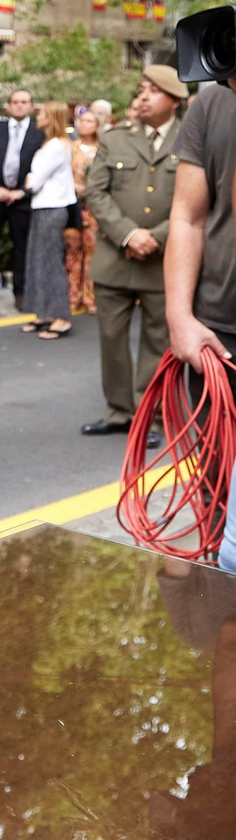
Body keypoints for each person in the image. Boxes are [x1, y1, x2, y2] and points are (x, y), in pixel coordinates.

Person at [81, 65, 185, 446]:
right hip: (116, 258)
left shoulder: (190, 138)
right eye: (140, 89)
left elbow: (196, 201)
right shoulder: (116, 138)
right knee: (112, 338)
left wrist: (155, 237)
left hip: (165, 260)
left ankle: (150, 416)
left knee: (158, 341)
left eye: (152, 91)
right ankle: (118, 412)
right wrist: (129, 234)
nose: (142, 97)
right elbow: (97, 192)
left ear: (175, 100)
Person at [163, 74, 236, 570]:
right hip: (218, 334)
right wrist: (180, 316)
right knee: (213, 489)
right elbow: (187, 215)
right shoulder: (211, 102)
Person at [0, 90, 42, 310]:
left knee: (20, 246)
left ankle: (20, 291)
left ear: (31, 106)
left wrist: (21, 191)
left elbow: (40, 167)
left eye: (24, 102)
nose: (20, 106)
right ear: (9, 106)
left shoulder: (39, 132)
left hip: (22, 199)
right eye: (15, 102)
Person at [19, 101, 78, 339]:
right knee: (39, 260)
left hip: (51, 208)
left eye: (42, 114)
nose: (38, 117)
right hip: (45, 207)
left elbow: (34, 181)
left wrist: (29, 180)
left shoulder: (56, 145)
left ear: (51, 117)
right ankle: (45, 313)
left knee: (50, 262)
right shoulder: (54, 144)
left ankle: (61, 318)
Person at [65, 109, 101, 314]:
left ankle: (90, 296)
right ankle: (73, 295)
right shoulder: (71, 148)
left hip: (94, 207)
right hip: (73, 205)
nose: (85, 124)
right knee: (73, 250)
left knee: (92, 252)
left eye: (90, 121)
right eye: (83, 120)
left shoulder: (102, 149)